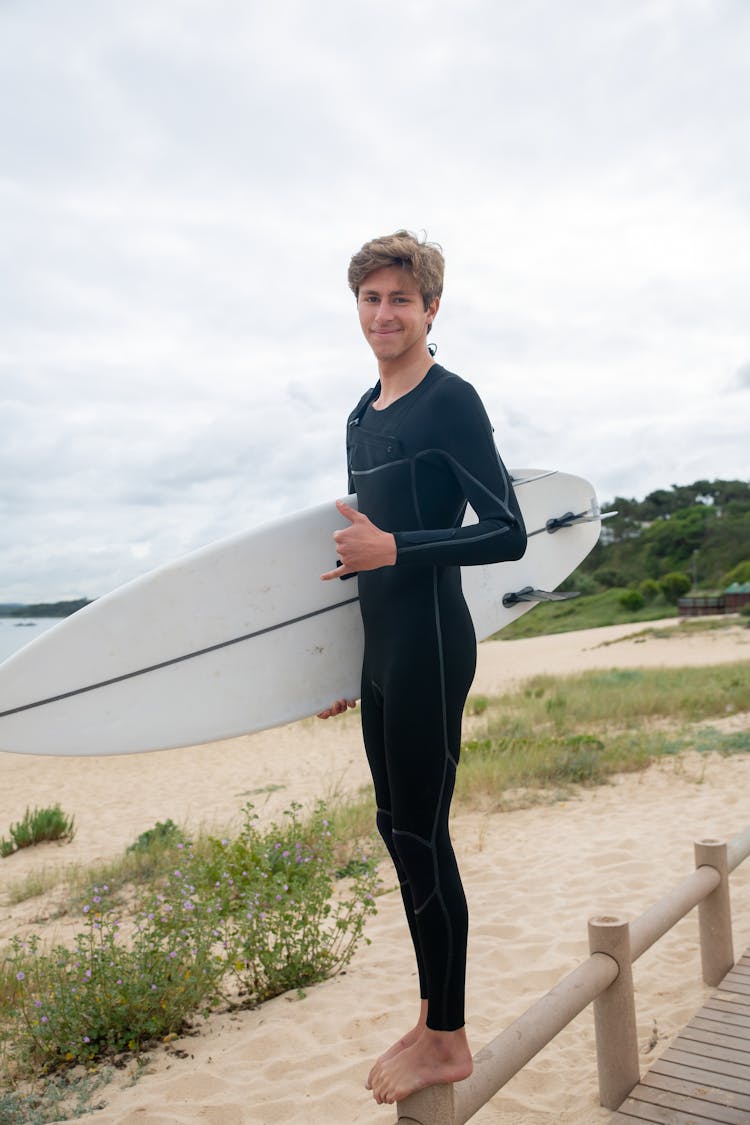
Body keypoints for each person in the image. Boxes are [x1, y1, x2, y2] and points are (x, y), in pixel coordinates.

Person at [318, 230, 527, 1105]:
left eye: (401, 298)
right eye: (371, 298)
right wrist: (330, 666)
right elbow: (355, 561)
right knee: (393, 827)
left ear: (431, 307)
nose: (384, 313)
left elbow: (507, 528)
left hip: (435, 644)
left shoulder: (451, 401)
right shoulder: (363, 416)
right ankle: (434, 1011)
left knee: (422, 834)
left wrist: (398, 544)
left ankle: (448, 1035)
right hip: (382, 650)